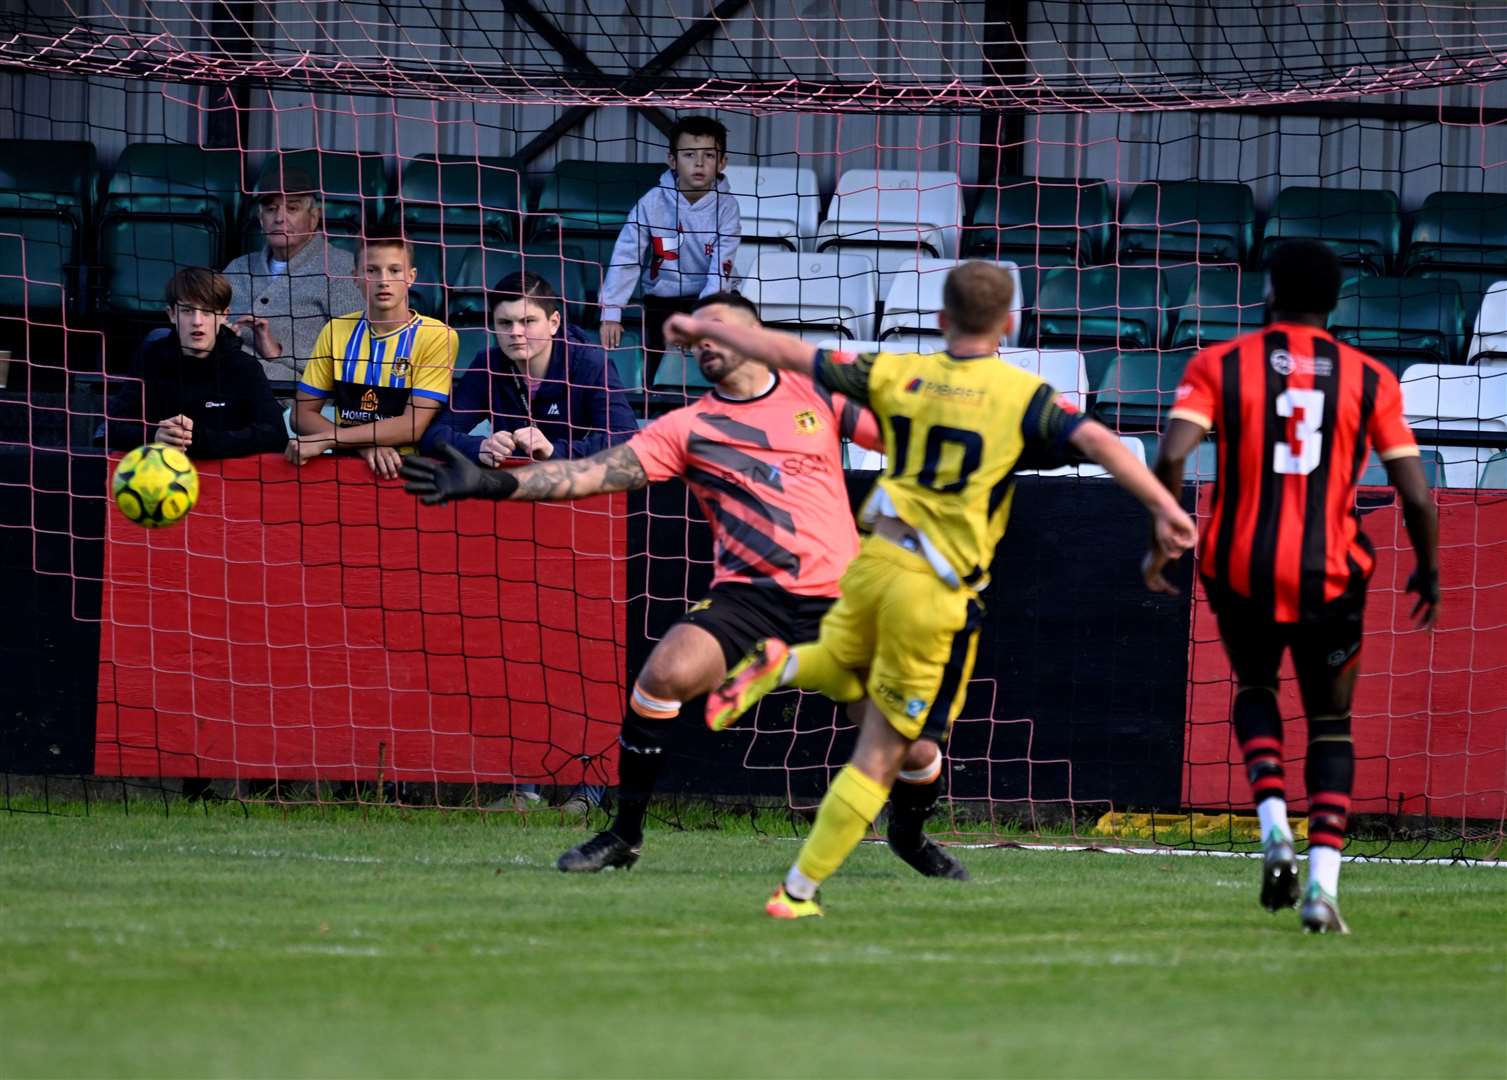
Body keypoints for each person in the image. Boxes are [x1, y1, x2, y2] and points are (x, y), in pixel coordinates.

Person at [680, 262, 1198, 919]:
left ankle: (781, 662)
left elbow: (790, 351)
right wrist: (1162, 505)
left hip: (872, 560)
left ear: (940, 320)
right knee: (881, 752)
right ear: (1009, 324)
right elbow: (1099, 441)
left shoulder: (903, 373)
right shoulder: (1021, 394)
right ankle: (796, 893)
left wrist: (696, 324)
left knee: (840, 670)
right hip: (934, 590)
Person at [403, 292, 967, 880]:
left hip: (844, 600)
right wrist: (496, 485)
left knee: (916, 748)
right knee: (663, 675)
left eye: (717, 330)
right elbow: (590, 473)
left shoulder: (817, 396)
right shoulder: (687, 427)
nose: (704, 343)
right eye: (696, 337)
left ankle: (908, 834)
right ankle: (624, 834)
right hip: (748, 596)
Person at [1142, 239, 1440, 935]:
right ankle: (1321, 891)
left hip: (1237, 566)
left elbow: (1173, 450)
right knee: (1330, 724)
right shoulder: (1369, 378)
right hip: (1329, 574)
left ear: (1268, 294)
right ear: (1334, 303)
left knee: (1253, 690)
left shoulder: (1219, 364)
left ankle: (1271, 823)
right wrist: (1426, 568)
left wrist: (1162, 531)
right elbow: (1418, 498)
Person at [419, 271, 638, 466]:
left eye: (528, 321)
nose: (515, 332)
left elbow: (627, 439)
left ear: (554, 323)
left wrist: (554, 451)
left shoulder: (591, 364)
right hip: (512, 486)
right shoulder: (488, 365)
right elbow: (434, 436)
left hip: (576, 487)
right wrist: (479, 447)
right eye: (505, 323)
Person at [287, 235, 458, 479]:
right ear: (355, 276)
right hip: (344, 464)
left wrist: (328, 438)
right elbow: (300, 414)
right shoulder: (336, 330)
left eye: (394, 270)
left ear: (411, 277)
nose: (383, 281)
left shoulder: (438, 336)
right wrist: (364, 446)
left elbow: (412, 426)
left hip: (409, 469)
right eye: (372, 270)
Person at [597, 116, 741, 385]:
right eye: (689, 155)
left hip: (713, 297)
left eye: (709, 155)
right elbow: (626, 256)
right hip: (663, 300)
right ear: (672, 161)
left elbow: (721, 269)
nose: (699, 163)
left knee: (742, 329)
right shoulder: (652, 202)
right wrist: (611, 312)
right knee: (654, 362)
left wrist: (702, 318)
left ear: (722, 163)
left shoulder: (727, 207)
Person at [105, 267, 286, 459]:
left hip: (225, 481)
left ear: (224, 315)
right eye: (187, 311)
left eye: (207, 312)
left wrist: (200, 440)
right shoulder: (151, 358)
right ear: (172, 314)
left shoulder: (244, 367)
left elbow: (274, 434)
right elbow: (114, 428)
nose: (197, 321)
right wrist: (155, 436)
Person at [222, 167, 365, 385]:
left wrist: (278, 353)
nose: (280, 218)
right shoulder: (238, 268)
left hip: (293, 391)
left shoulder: (343, 270)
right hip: (224, 378)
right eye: (270, 209)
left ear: (314, 217)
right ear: (261, 219)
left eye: (292, 208)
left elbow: (355, 354)